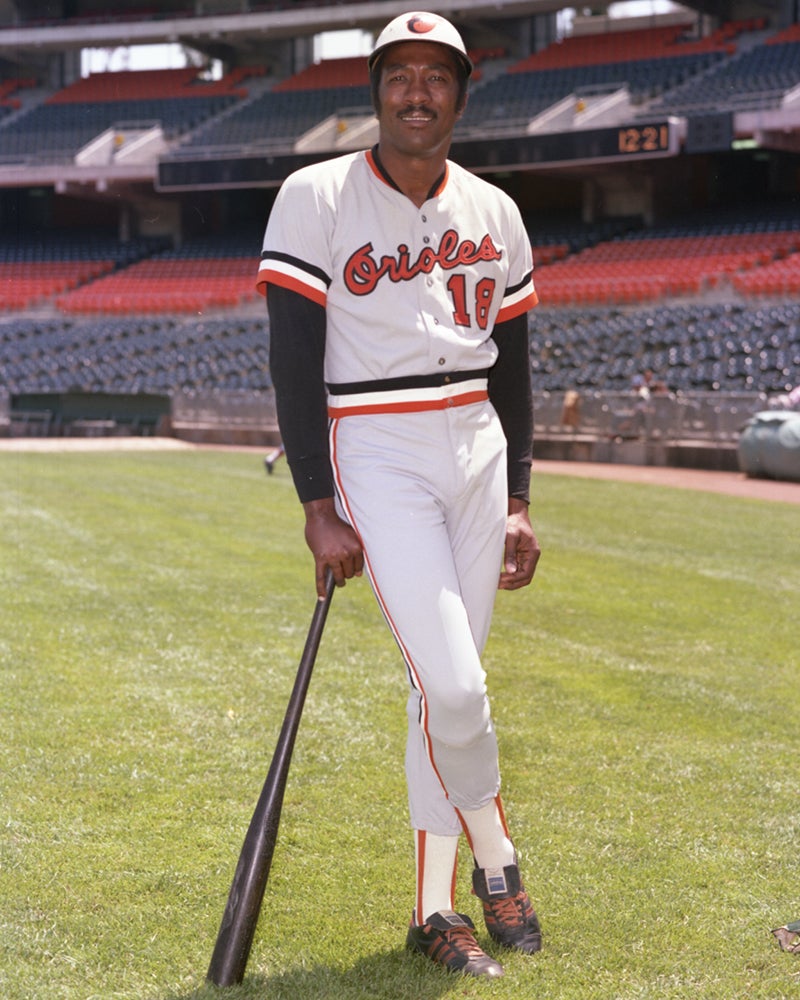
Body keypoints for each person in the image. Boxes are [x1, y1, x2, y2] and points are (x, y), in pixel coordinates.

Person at [257, 11, 542, 980]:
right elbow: (292, 360)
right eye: (397, 75)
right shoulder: (316, 195)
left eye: (435, 76)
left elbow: (515, 368)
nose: (415, 92)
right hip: (374, 445)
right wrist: (315, 500)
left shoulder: (494, 211)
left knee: (441, 696)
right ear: (374, 90)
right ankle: (496, 855)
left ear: (461, 95)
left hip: (476, 441)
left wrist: (517, 497)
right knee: (455, 687)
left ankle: (433, 909)